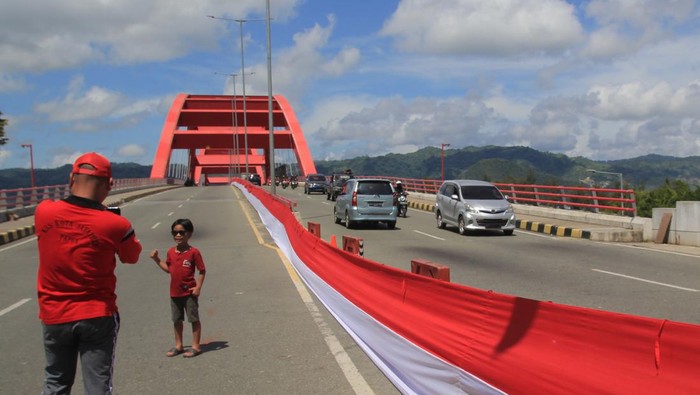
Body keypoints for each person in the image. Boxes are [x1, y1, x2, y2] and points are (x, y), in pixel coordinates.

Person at [35, 152, 143, 395]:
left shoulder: (43, 212)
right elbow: (131, 257)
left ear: (72, 177)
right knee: (98, 386)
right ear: (110, 184)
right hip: (97, 315)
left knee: (55, 382)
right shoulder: (115, 224)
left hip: (54, 315)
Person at [150, 219, 206, 358]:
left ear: (189, 234)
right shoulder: (170, 252)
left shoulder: (194, 252)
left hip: (189, 292)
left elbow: (202, 270)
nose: (178, 235)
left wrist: (198, 287)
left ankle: (195, 346)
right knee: (177, 320)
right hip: (174, 293)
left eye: (182, 232)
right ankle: (179, 345)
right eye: (175, 233)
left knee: (193, 319)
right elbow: (168, 269)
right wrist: (157, 259)